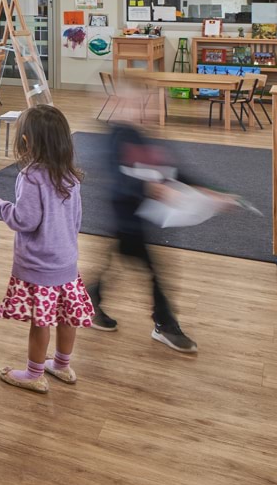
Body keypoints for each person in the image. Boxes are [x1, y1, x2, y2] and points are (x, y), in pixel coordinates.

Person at [0, 105, 94, 393]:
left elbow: (25, 220)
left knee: (41, 321)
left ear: (25, 141)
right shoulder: (71, 175)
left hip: (39, 265)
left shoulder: (31, 176)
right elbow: (77, 220)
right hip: (66, 261)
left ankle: (34, 374)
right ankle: (61, 364)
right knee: (67, 316)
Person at [86, 90, 202, 353]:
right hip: (125, 218)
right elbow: (119, 179)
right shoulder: (117, 138)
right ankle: (165, 323)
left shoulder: (145, 138)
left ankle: (91, 298)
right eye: (142, 106)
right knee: (153, 271)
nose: (148, 113)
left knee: (122, 263)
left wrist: (208, 190)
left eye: (152, 108)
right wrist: (152, 189)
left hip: (142, 218)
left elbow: (173, 171)